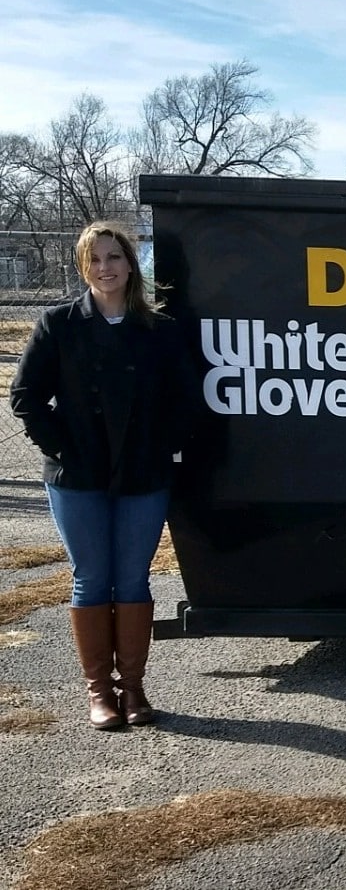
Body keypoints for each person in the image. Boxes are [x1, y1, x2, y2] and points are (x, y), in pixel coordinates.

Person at [10, 221, 196, 730]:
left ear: (131, 264)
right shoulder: (58, 323)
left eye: (114, 257)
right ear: (82, 266)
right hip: (77, 475)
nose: (105, 268)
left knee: (132, 578)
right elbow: (25, 398)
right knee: (91, 577)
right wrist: (63, 446)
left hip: (142, 471)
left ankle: (134, 689)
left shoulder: (159, 329)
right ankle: (100, 693)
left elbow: (186, 399)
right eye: (95, 259)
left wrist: (164, 446)